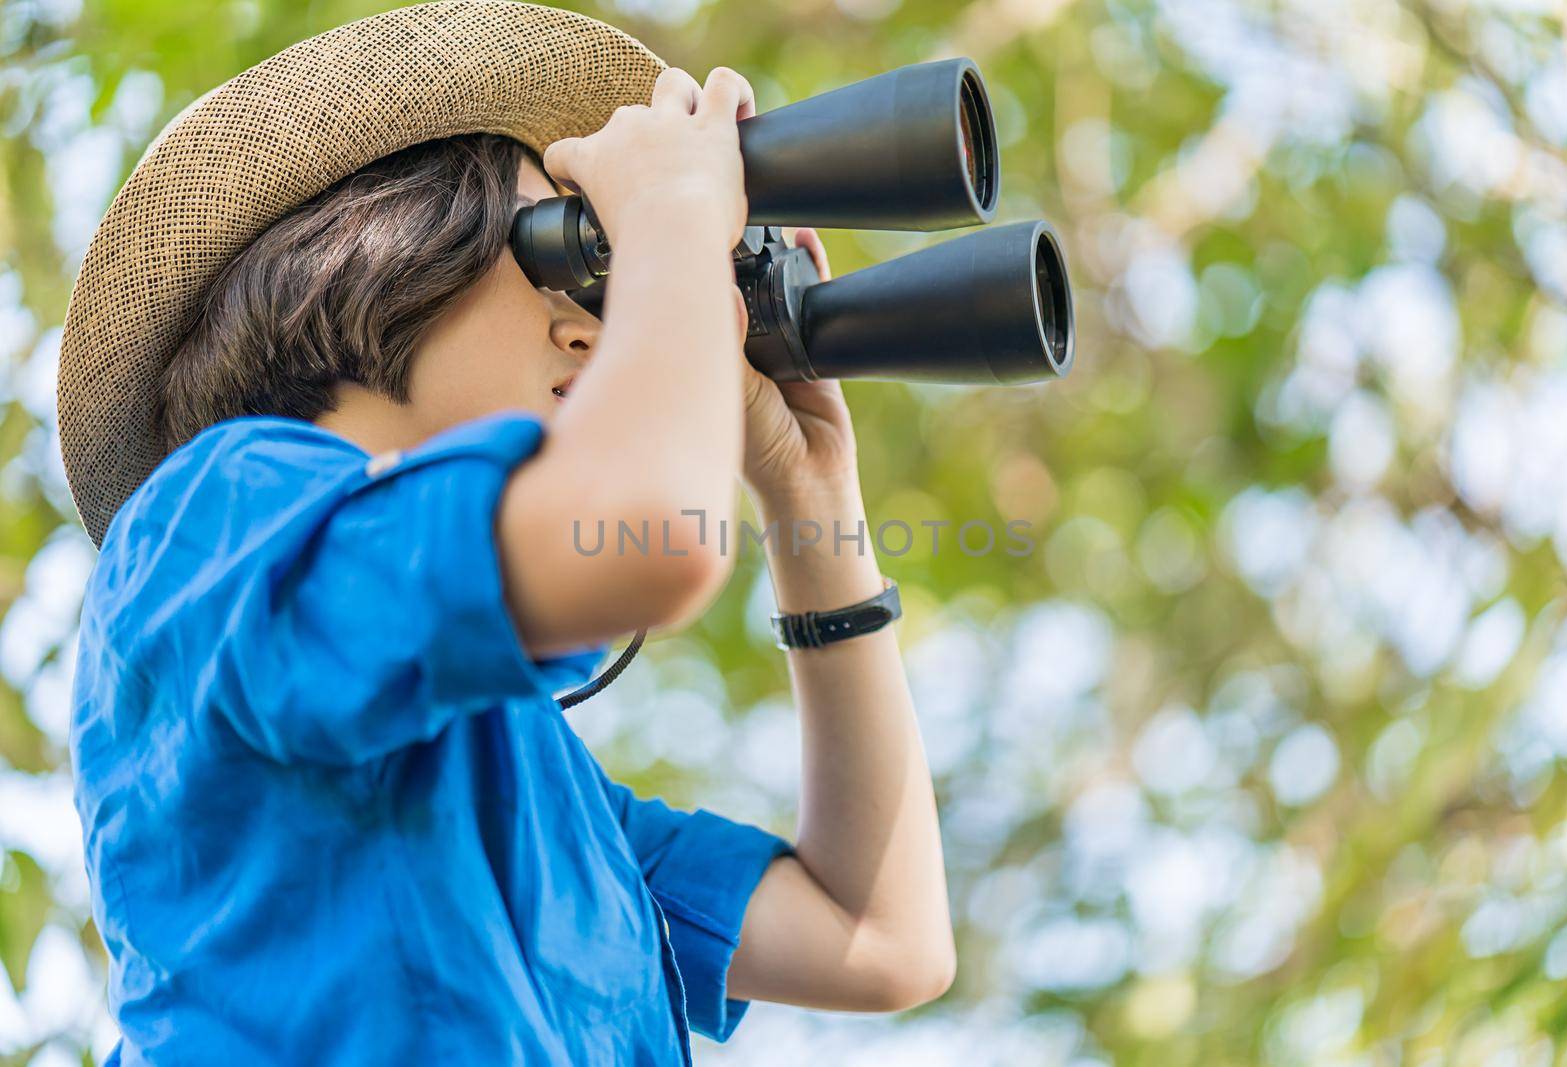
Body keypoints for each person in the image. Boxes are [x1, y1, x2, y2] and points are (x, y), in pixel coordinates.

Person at [58, 4, 953, 1064]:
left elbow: (879, 938)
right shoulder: (211, 520)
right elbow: (642, 530)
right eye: (556, 257)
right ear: (367, 248)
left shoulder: (535, 789)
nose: (591, 321)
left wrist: (813, 495)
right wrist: (671, 218)